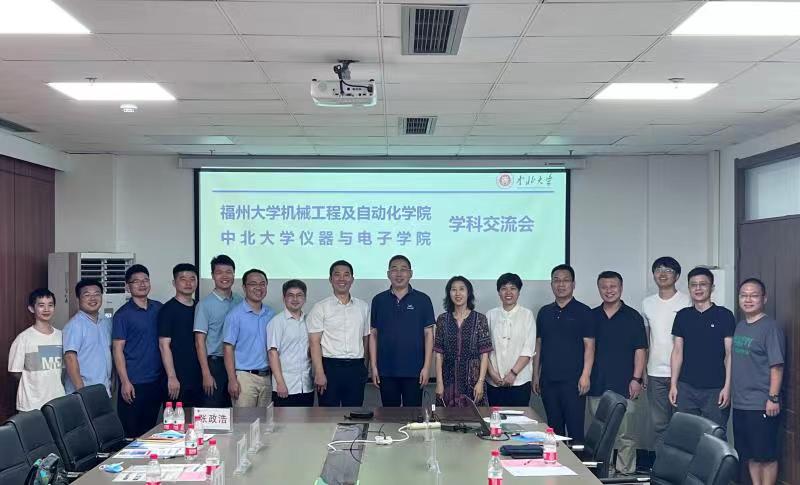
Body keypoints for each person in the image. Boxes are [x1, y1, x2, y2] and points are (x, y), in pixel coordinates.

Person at [589, 271, 647, 476]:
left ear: (621, 288)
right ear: (599, 289)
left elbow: (640, 350)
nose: (608, 290)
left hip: (626, 383)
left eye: (613, 286)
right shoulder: (592, 316)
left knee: (626, 434)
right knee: (602, 433)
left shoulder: (633, 317)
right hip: (597, 383)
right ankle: (604, 471)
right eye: (604, 287)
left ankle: (625, 471)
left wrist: (636, 379)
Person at [669, 267, 735, 435]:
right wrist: (673, 385)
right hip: (686, 387)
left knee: (715, 437)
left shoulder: (725, 315)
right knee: (686, 436)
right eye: (694, 285)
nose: (698, 288)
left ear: (712, 287)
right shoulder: (682, 316)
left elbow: (730, 354)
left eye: (703, 284)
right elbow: (677, 352)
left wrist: (727, 387)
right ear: (689, 288)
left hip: (716, 388)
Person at [732, 278, 785, 485]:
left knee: (766, 456)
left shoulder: (770, 327)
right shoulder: (740, 326)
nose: (748, 299)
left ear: (764, 298)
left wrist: (773, 398)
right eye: (744, 295)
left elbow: (777, 366)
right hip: (741, 403)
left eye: (754, 295)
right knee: (750, 454)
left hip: (762, 403)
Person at [534, 264, 594, 442]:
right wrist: (535, 375)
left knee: (575, 429)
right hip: (548, 380)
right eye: (556, 280)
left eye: (566, 280)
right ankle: (557, 459)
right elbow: (539, 344)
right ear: (551, 284)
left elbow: (590, 346)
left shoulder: (584, 311)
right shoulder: (544, 312)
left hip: (574, 381)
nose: (561, 284)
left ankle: (578, 460)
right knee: (554, 429)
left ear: (573, 284)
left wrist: (586, 375)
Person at [369, 255, 435, 407]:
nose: (399, 274)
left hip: (415, 371)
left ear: (410, 273)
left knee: (413, 415)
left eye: (403, 269)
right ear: (388, 274)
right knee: (388, 415)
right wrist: (374, 367)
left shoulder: (423, 300)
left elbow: (428, 335)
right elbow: (373, 334)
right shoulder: (378, 300)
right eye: (394, 269)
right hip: (386, 370)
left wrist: (426, 367)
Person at [641, 257, 690, 451]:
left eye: (668, 270)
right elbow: (646, 339)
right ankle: (662, 465)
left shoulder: (688, 301)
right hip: (655, 373)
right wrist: (644, 370)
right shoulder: (647, 303)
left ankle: (682, 466)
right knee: (659, 425)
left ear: (677, 276)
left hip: (683, 373)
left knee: (682, 425)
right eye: (658, 270)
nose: (662, 274)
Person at [308, 260, 371, 407]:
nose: (342, 279)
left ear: (352, 279)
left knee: (354, 413)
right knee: (328, 415)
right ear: (330, 279)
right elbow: (314, 343)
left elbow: (366, 339)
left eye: (346, 275)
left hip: (356, 368)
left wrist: (364, 368)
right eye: (337, 275)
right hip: (330, 368)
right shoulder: (320, 307)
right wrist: (319, 372)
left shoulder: (363, 307)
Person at [112, 264, 164, 438]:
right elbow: (117, 349)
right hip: (134, 383)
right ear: (128, 286)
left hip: (156, 381)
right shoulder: (122, 315)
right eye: (136, 281)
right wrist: (125, 382)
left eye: (145, 280)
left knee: (151, 432)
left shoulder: (159, 308)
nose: (142, 284)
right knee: (132, 435)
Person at [434, 276, 492, 408]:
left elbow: (484, 355)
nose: (458, 293)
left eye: (461, 289)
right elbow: (439, 354)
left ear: (468, 293)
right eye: (453, 290)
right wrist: (439, 383)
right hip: (448, 380)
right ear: (449, 293)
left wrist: (480, 382)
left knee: (474, 418)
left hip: (473, 381)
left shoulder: (480, 319)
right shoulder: (442, 319)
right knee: (446, 418)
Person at [194, 255, 243, 407]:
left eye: (228, 272)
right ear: (212, 275)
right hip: (215, 365)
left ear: (234, 274)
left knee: (237, 410)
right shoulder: (204, 305)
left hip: (238, 364)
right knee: (214, 409)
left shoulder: (240, 301)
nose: (224, 276)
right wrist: (206, 374)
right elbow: (199, 342)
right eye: (219, 272)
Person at [223, 269, 275, 407]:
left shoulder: (271, 313)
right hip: (244, 379)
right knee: (243, 419)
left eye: (262, 284)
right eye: (253, 284)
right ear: (244, 287)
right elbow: (228, 349)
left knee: (265, 419)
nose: (258, 287)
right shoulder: (235, 315)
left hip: (267, 377)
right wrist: (232, 380)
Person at [8, 288, 64, 412]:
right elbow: (15, 372)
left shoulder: (61, 336)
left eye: (50, 305)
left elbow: (64, 370)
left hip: (57, 401)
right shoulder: (23, 338)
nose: (46, 309)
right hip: (31, 404)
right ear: (31, 308)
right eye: (41, 305)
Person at [486, 273, 535, 407]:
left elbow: (528, 348)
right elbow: (484, 349)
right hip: (494, 382)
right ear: (499, 292)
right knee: (495, 418)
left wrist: (513, 374)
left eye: (513, 288)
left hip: (520, 381)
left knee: (519, 418)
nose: (508, 292)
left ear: (519, 292)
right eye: (504, 288)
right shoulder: (490, 315)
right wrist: (492, 374)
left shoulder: (527, 315)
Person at [158, 263, 202, 407]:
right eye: (183, 279)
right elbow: (164, 346)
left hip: (198, 376)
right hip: (177, 377)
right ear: (174, 283)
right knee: (176, 418)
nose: (188, 283)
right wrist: (172, 377)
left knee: (197, 417)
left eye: (192, 279)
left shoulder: (200, 307)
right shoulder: (167, 310)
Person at [268, 280, 314, 407]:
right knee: (284, 420)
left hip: (306, 386)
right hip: (285, 387)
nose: (295, 299)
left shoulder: (309, 321)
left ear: (305, 298)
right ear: (284, 298)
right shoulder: (277, 322)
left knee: (306, 419)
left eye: (299, 295)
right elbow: (272, 353)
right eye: (291, 295)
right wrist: (280, 383)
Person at [63, 279, 113, 395]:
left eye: (97, 294)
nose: (93, 298)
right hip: (84, 393)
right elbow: (70, 358)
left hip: (103, 389)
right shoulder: (74, 325)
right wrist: (82, 392)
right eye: (87, 295)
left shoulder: (106, 323)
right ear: (78, 299)